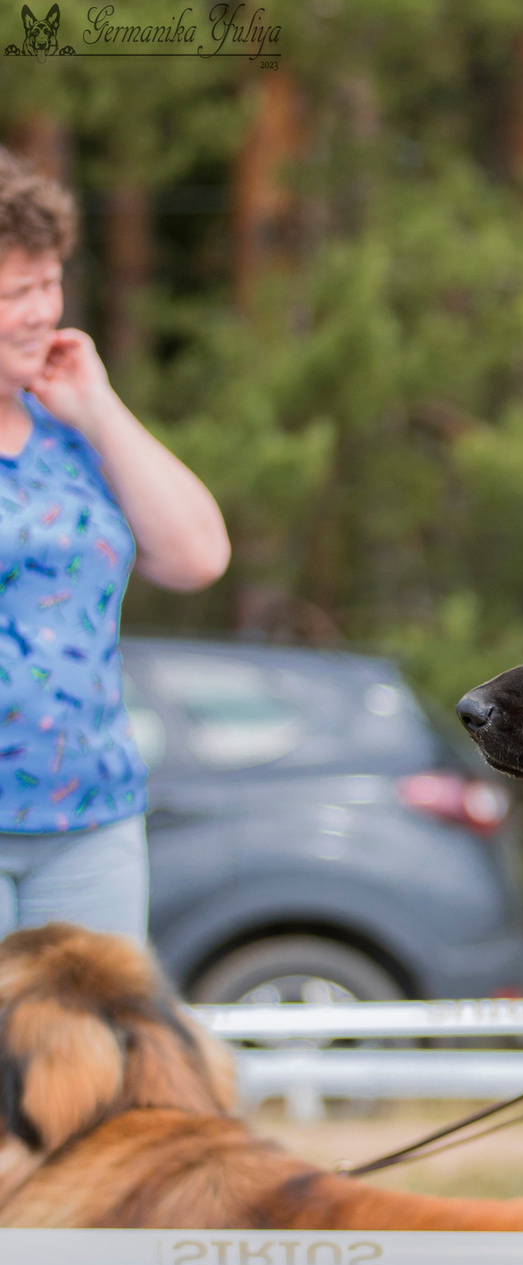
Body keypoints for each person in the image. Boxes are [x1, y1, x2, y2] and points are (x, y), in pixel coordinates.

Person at [0, 152, 228, 941]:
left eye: (48, 283)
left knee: (91, 1059)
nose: (39, 310)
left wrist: (97, 407)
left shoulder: (71, 433)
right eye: (14, 291)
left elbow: (197, 556)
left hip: (90, 819)